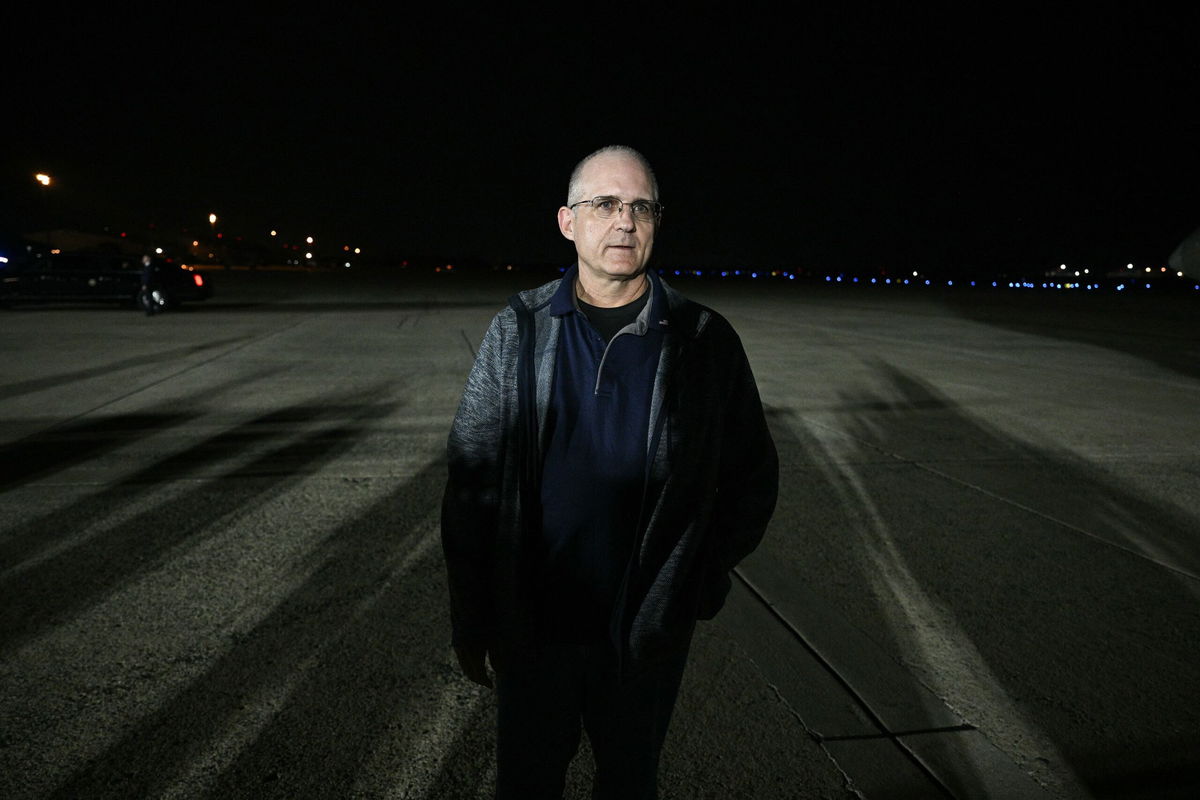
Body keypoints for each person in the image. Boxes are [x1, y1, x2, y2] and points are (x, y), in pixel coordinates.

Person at [441, 145, 778, 800]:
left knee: (629, 783)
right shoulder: (520, 328)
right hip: (533, 628)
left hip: (642, 637)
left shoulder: (703, 340)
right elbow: (472, 478)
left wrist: (695, 579)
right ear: (568, 222)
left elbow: (753, 476)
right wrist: (470, 612)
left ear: (656, 221)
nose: (624, 222)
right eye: (604, 204)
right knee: (527, 782)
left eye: (640, 207)